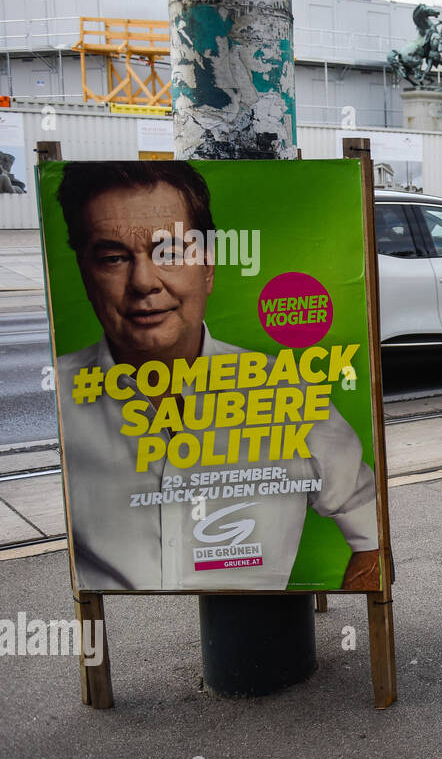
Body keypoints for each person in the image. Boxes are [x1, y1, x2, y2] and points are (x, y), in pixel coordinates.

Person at [54, 161, 380, 592]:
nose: (143, 282)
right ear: (85, 272)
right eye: (113, 258)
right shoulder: (62, 393)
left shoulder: (283, 389)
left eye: (169, 253)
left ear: (207, 267)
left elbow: (372, 523)